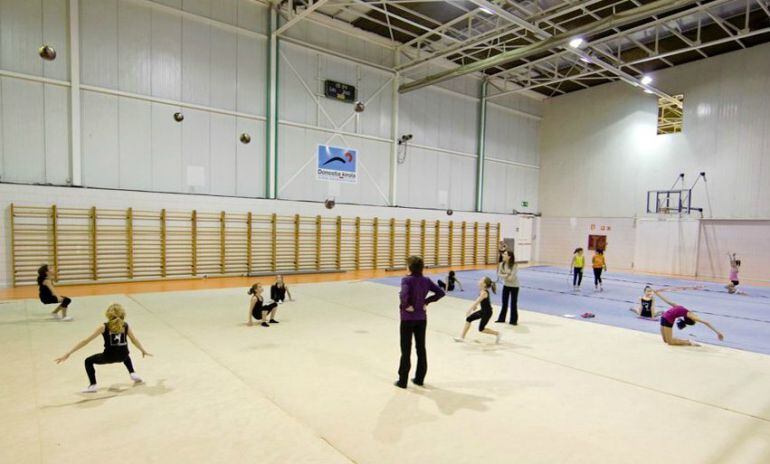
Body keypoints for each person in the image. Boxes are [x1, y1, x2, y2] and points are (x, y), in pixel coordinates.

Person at [54, 303, 151, 393]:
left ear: (108, 314)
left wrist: (69, 353)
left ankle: (93, 385)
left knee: (88, 361)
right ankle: (132, 373)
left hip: (108, 357)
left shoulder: (103, 327)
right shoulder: (125, 325)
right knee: (124, 353)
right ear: (123, 314)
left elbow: (86, 341)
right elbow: (134, 340)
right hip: (123, 356)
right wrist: (143, 350)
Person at [396, 256, 445, 389]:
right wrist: (426, 301)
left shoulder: (406, 280)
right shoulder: (426, 280)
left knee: (406, 349)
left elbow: (403, 295)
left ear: (410, 267)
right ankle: (419, 378)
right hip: (421, 319)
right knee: (421, 348)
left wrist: (406, 305)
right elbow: (441, 292)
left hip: (407, 319)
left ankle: (402, 380)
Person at [653, 289, 724, 346]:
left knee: (670, 342)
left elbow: (706, 322)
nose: (697, 316)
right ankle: (681, 340)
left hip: (668, 320)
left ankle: (688, 342)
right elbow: (668, 301)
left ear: (692, 319)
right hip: (663, 317)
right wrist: (657, 293)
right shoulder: (683, 309)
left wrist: (718, 333)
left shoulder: (690, 315)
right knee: (665, 340)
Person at [454, 277, 501, 344]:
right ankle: (462, 337)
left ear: (484, 284)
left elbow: (477, 301)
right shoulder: (482, 291)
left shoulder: (484, 293)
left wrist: (469, 310)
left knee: (481, 329)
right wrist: (476, 306)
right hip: (483, 311)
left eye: (481, 280)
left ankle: (497, 334)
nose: (479, 281)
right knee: (469, 319)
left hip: (487, 313)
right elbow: (480, 300)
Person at [495, 250, 519, 325]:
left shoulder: (514, 265)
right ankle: (501, 318)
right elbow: (498, 274)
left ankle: (513, 321)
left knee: (513, 304)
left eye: (505, 254)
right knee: (504, 303)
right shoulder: (501, 264)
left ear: (509, 257)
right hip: (506, 286)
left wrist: (504, 275)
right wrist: (506, 274)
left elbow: (511, 278)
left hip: (514, 286)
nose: (503, 255)